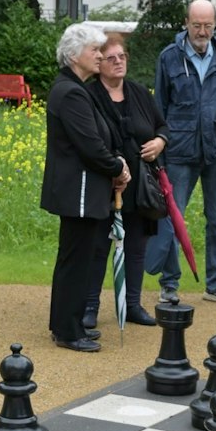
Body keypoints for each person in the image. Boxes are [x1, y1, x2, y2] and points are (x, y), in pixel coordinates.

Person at [147, 0, 216, 306]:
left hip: (215, 153)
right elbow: (158, 108)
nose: (202, 31)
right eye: (197, 25)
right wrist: (160, 147)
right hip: (178, 153)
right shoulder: (169, 58)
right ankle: (169, 286)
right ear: (186, 23)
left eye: (208, 26)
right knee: (174, 220)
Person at [45, 21, 130, 351]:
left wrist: (116, 163)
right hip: (78, 189)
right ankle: (68, 330)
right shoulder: (70, 93)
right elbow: (90, 145)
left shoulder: (76, 90)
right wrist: (117, 168)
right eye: (94, 50)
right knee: (76, 258)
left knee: (78, 257)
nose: (100, 56)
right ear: (74, 55)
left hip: (83, 187)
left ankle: (68, 322)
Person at [84, 31, 168, 326]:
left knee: (136, 248)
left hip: (141, 186)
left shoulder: (139, 93)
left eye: (122, 56)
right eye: (111, 58)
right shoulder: (89, 96)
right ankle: (90, 307)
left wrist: (160, 142)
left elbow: (162, 126)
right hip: (105, 183)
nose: (118, 62)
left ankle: (132, 305)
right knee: (98, 247)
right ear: (99, 63)